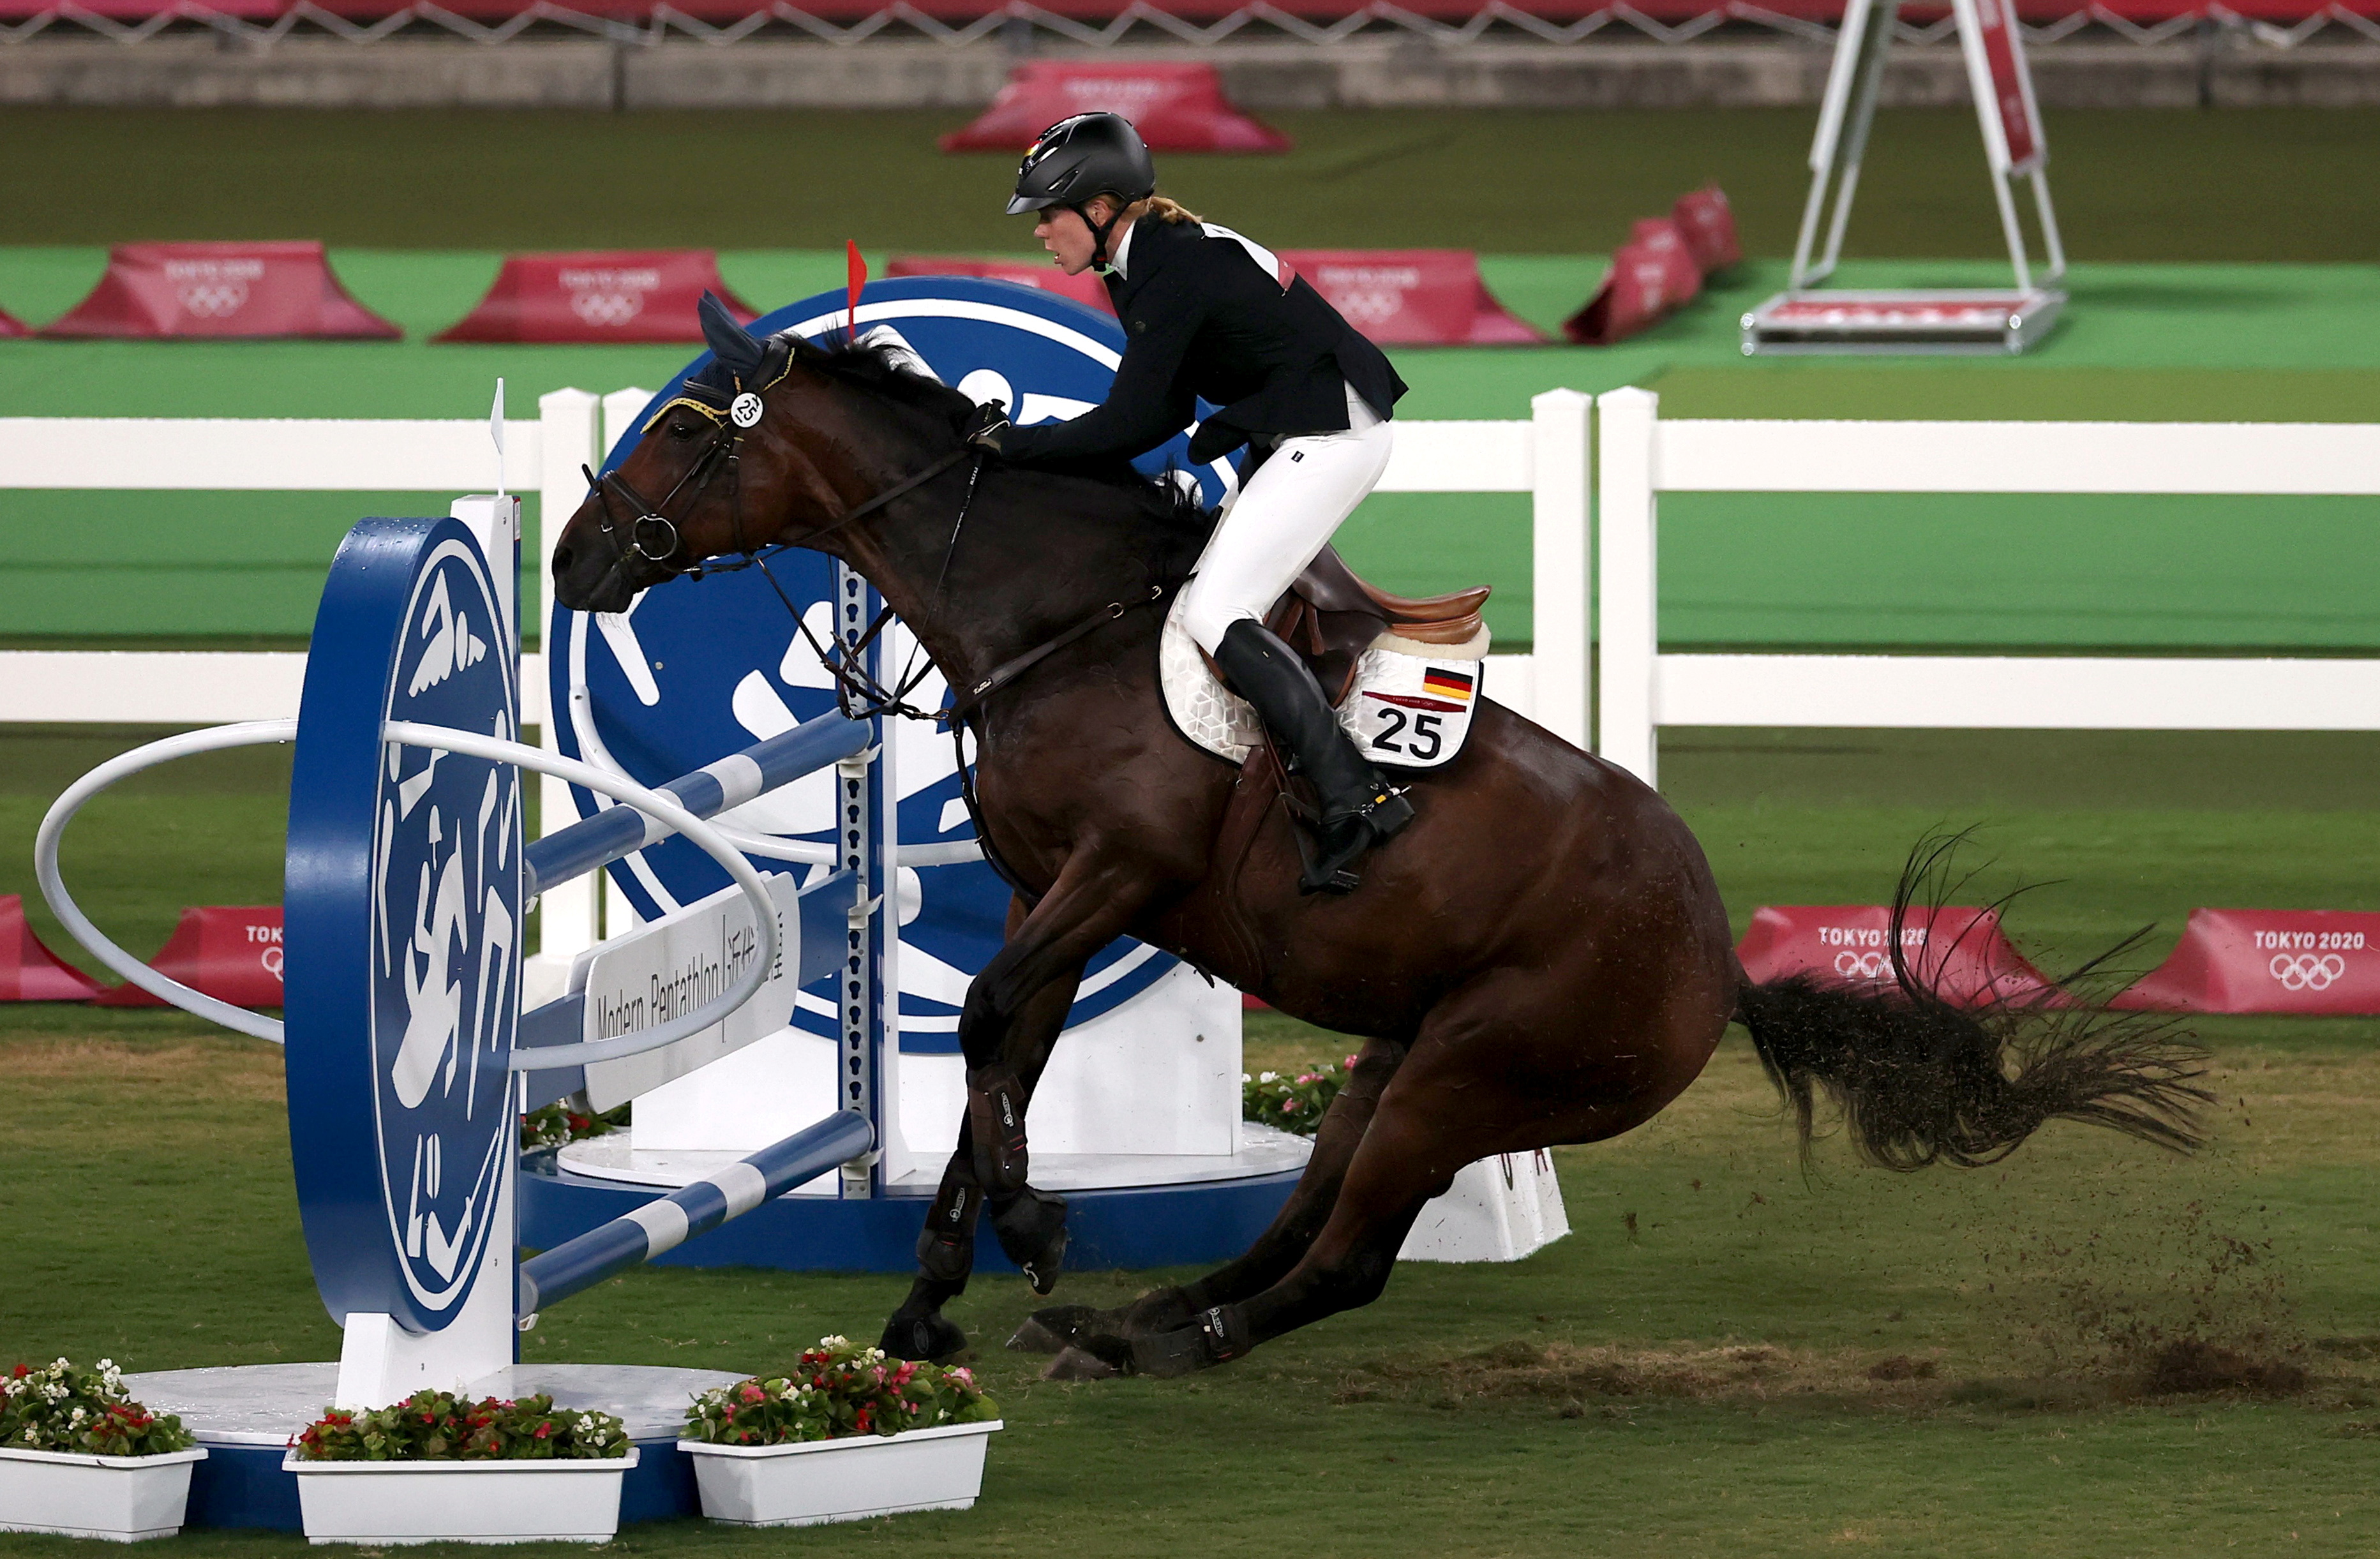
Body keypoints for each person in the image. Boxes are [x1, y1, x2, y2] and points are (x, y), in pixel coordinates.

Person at [967, 111, 1414, 895]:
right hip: (1306, 426)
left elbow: (1133, 422)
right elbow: (1165, 410)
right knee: (1205, 597)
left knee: (1215, 612)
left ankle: (1355, 796)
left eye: (1048, 213)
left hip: (1334, 434)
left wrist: (1013, 446)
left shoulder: (1168, 269)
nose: (1040, 231)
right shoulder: (1144, 263)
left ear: (1100, 211)